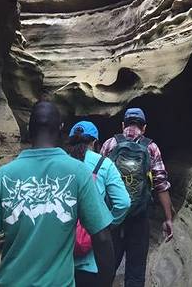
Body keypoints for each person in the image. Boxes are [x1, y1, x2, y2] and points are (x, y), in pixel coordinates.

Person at [0, 101, 115, 287]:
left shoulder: (4, 176)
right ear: (61, 128)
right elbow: (102, 237)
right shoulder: (78, 173)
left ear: (29, 129)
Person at [101, 108, 173, 287]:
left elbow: (98, 180)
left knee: (106, 267)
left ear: (123, 125)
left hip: (112, 216)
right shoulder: (151, 147)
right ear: (144, 128)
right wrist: (168, 218)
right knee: (136, 270)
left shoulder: (110, 144)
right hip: (139, 217)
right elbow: (160, 183)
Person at [65, 120, 131, 286]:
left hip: (61, 256)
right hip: (91, 258)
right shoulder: (104, 164)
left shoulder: (60, 163)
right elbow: (123, 202)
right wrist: (106, 224)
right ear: (95, 142)